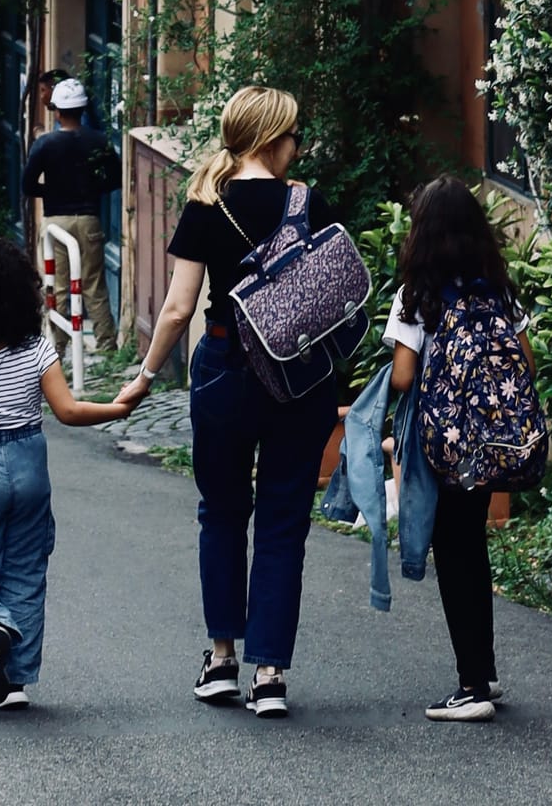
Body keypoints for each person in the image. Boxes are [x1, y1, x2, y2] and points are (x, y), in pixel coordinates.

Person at [130, 85, 339, 721]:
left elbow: (177, 308)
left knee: (221, 513)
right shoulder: (306, 202)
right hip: (299, 375)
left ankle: (221, 659)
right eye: (294, 134)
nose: (297, 146)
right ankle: (270, 674)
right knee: (283, 521)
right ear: (274, 139)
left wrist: (144, 375)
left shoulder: (205, 202)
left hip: (224, 367)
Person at [0, 233, 147, 710]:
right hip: (28, 466)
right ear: (26, 298)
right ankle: (15, 680)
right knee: (25, 569)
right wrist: (116, 408)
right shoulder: (37, 353)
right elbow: (66, 412)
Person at [385, 177, 537, 724]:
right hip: (490, 444)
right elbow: (526, 363)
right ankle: (484, 672)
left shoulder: (417, 296)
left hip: (443, 446)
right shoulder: (498, 288)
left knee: (453, 556)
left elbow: (403, 378)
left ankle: (471, 685)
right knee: (472, 548)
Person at [19, 74, 117, 353]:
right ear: (82, 109)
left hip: (55, 222)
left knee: (57, 286)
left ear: (57, 111)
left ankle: (57, 347)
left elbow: (27, 185)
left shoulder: (45, 144)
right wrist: (90, 190)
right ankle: (106, 343)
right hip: (88, 219)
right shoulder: (99, 140)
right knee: (94, 284)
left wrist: (52, 192)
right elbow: (114, 178)